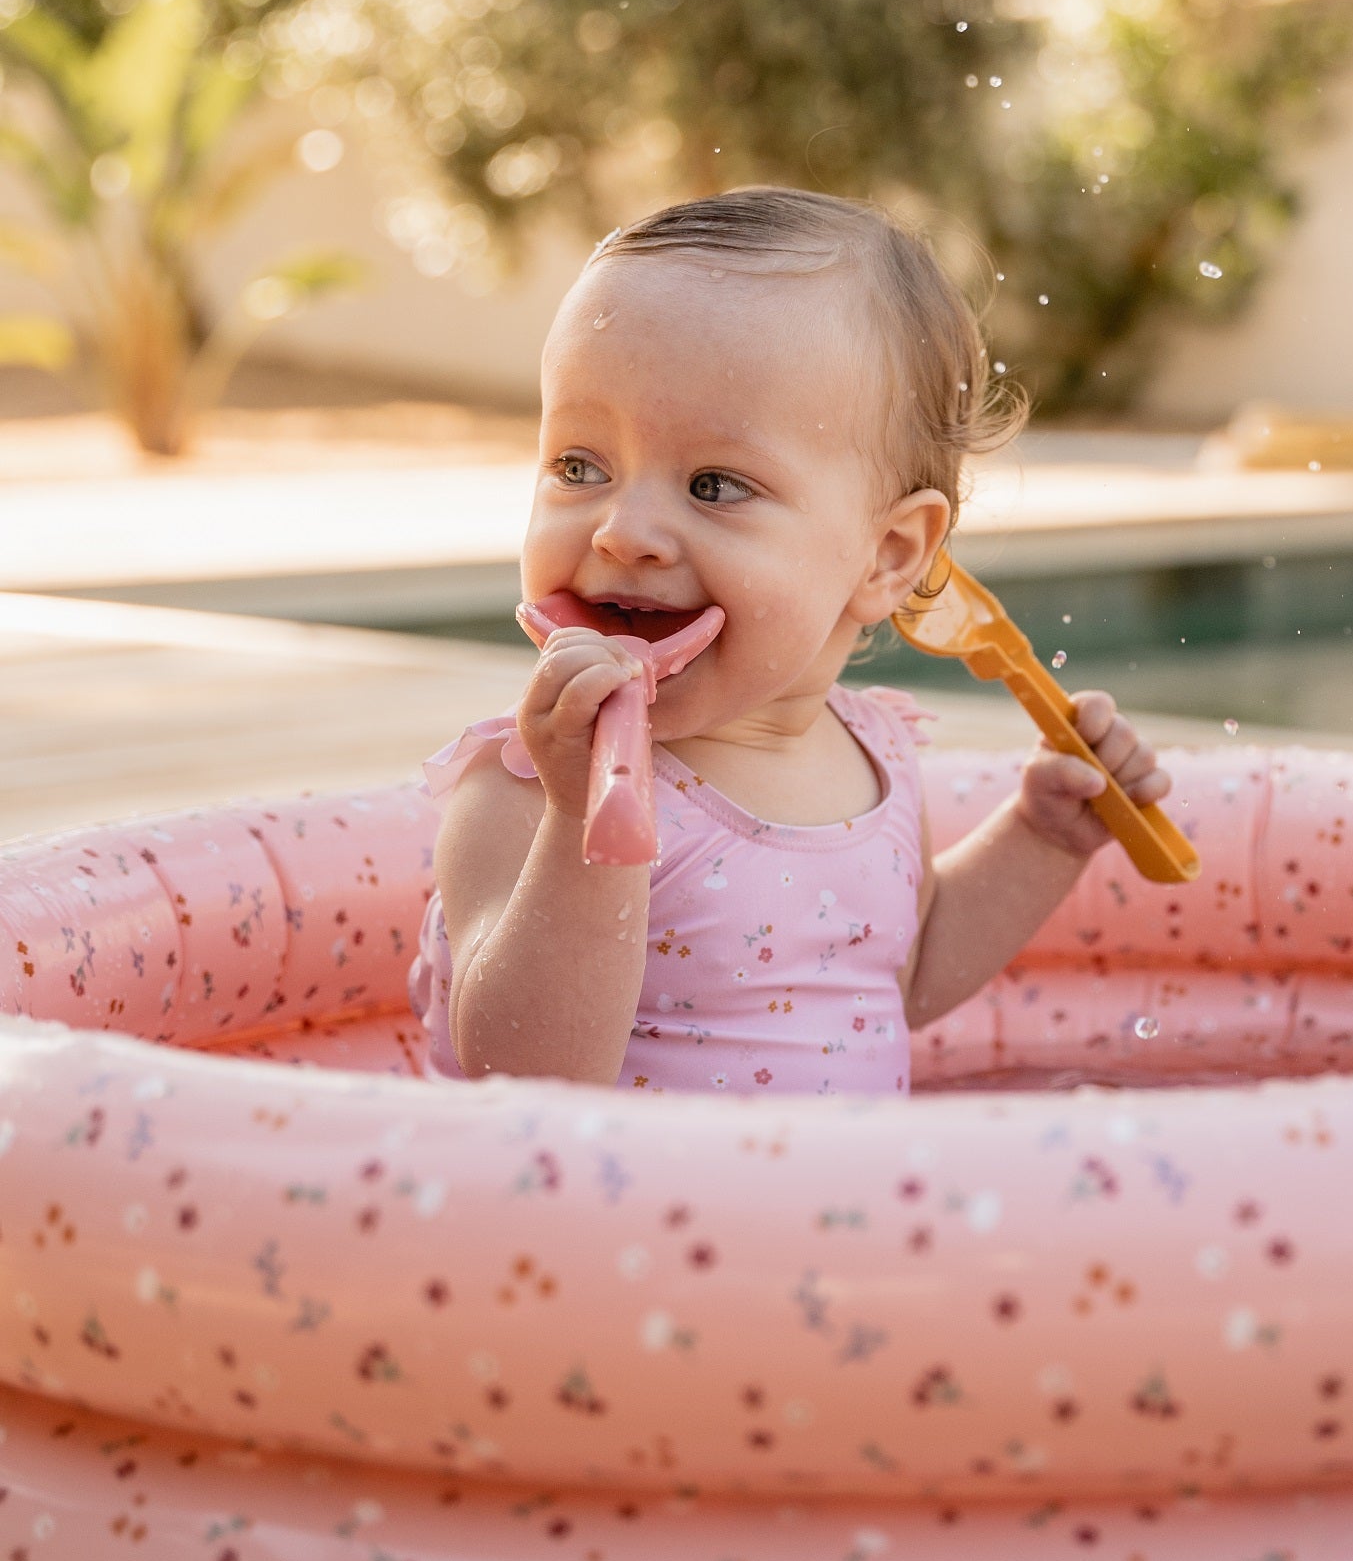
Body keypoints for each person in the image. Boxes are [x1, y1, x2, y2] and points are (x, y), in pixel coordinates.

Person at [410, 187, 1170, 1094]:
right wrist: (587, 818)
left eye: (715, 486)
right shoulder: (528, 783)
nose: (623, 531)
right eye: (580, 467)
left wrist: (1043, 837)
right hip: (608, 1230)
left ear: (887, 557)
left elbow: (904, 978)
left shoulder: (870, 752)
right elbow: (526, 1071)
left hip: (827, 1226)